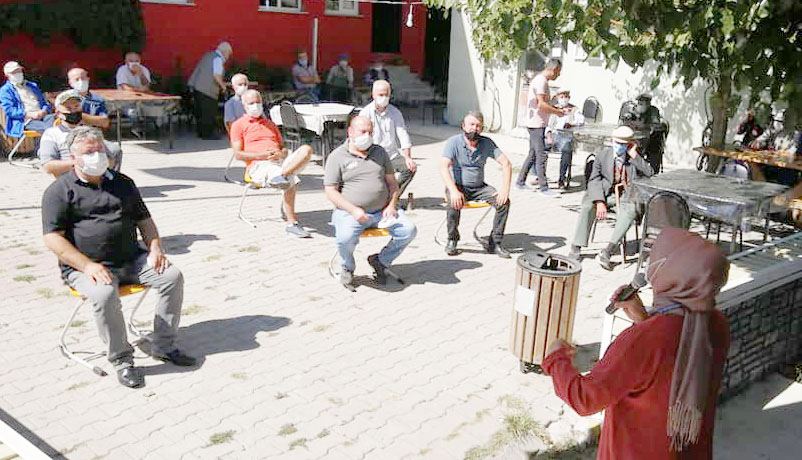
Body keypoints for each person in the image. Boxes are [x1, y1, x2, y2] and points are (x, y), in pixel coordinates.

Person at [544, 228, 730, 459]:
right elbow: (668, 368)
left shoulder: (644, 340)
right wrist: (644, 318)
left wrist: (556, 358)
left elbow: (585, 399)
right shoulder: (717, 325)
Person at [41, 126, 196, 389]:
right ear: (74, 157)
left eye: (100, 149)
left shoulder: (123, 183)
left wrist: (155, 247)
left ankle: (163, 345)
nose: (97, 155)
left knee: (171, 276)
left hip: (131, 258)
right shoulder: (59, 190)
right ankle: (122, 360)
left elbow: (145, 220)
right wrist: (87, 265)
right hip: (85, 266)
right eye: (89, 152)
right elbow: (52, 238)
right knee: (103, 294)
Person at [324, 116, 417, 291]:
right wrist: (353, 210)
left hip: (382, 211)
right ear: (350, 132)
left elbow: (392, 183)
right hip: (349, 212)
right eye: (363, 132)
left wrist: (391, 204)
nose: (367, 136)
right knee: (345, 238)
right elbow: (330, 191)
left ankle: (381, 261)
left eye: (370, 132)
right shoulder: (337, 156)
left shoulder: (379, 152)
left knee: (408, 229)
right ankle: (347, 267)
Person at [567, 125, 653, 270]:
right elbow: (594, 179)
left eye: (623, 144)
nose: (619, 146)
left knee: (630, 211)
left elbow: (650, 173)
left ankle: (608, 250)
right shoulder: (603, 154)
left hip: (626, 196)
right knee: (588, 205)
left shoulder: (634, 157)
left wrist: (635, 156)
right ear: (612, 140)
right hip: (605, 193)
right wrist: (600, 201)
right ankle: (576, 246)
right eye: (617, 142)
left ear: (629, 144)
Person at [230, 90, 313, 238]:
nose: (255, 106)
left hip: (279, 162)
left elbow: (284, 148)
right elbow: (238, 154)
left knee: (306, 150)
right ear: (244, 106)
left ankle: (282, 175)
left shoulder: (270, 124)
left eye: (258, 102)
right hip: (258, 165)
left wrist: (281, 154)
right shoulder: (238, 125)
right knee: (290, 178)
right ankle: (291, 223)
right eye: (251, 103)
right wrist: (262, 155)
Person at [440, 111, 512, 258]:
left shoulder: (487, 143)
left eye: (478, 125)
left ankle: (495, 242)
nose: (475, 128)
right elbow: (443, 166)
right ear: (464, 126)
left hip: (480, 187)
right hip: (458, 186)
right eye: (471, 124)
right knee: (453, 203)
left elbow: (506, 164)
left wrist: (505, 190)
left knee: (504, 203)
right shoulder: (453, 142)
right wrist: (453, 190)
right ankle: (452, 239)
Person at [39, 90, 121, 176]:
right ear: (58, 113)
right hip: (70, 179)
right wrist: (79, 163)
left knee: (115, 149)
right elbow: (47, 166)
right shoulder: (52, 134)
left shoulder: (90, 132)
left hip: (98, 176)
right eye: (68, 108)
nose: (73, 111)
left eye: (76, 106)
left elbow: (111, 160)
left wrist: (100, 163)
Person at [359, 79, 417, 199]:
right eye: (381, 95)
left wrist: (408, 157)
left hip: (392, 155)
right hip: (373, 155)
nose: (384, 98)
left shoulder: (395, 112)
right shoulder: (365, 113)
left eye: (387, 95)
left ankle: (392, 197)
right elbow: (361, 138)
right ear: (373, 94)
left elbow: (403, 134)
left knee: (409, 168)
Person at [515, 59, 565, 196]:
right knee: (541, 155)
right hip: (536, 124)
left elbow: (543, 103)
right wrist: (557, 112)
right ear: (554, 69)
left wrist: (554, 105)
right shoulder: (541, 81)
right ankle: (544, 187)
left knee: (532, 154)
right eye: (558, 72)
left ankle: (520, 182)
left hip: (536, 123)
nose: (558, 75)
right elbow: (541, 104)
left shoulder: (540, 81)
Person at [116, 52, 177, 137]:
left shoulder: (143, 69)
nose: (134, 63)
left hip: (143, 100)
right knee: (133, 112)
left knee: (158, 107)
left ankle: (157, 129)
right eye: (131, 61)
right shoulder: (122, 70)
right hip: (126, 102)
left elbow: (147, 86)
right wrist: (140, 90)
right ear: (126, 62)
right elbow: (125, 88)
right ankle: (136, 130)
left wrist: (141, 75)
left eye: (136, 60)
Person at [189, 42, 233, 140]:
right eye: (229, 54)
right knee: (209, 112)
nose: (228, 57)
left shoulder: (208, 55)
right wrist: (223, 87)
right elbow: (216, 76)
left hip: (197, 87)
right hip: (207, 89)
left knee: (200, 112)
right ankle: (208, 134)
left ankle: (201, 133)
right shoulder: (218, 59)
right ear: (225, 52)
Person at [0, 61, 55, 138]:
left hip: (44, 116)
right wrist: (29, 114)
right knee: (49, 129)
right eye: (14, 72)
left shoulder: (32, 85)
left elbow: (44, 102)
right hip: (25, 121)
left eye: (19, 71)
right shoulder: (5, 90)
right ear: (7, 75)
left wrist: (44, 111)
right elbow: (9, 110)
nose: (18, 73)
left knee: (62, 122)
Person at [545, 88, 585, 189]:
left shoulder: (574, 109)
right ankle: (540, 176)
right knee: (539, 147)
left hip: (566, 136)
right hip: (554, 134)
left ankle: (562, 178)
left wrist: (572, 124)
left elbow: (581, 120)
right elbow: (548, 125)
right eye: (561, 97)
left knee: (567, 148)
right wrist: (548, 135)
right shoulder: (554, 109)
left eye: (566, 97)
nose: (564, 99)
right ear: (558, 98)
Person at [621, 93, 668, 173]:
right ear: (638, 103)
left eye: (646, 103)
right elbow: (625, 122)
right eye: (641, 103)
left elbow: (655, 125)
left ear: (649, 103)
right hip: (634, 139)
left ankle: (653, 171)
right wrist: (628, 119)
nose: (644, 105)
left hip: (649, 141)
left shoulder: (653, 111)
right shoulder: (632, 110)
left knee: (655, 145)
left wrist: (645, 126)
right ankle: (625, 169)